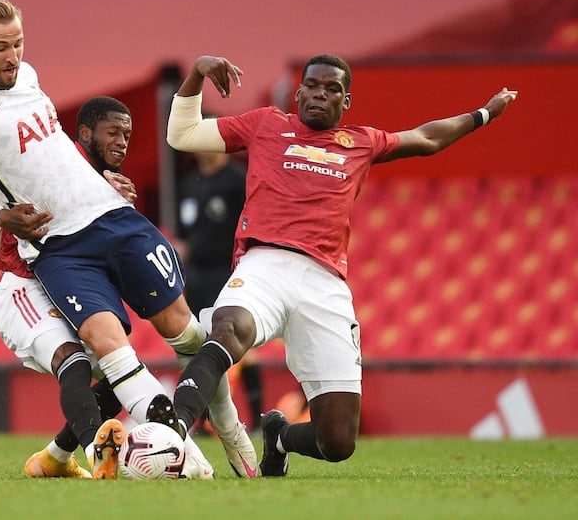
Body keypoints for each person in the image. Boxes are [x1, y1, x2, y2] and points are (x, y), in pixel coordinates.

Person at [0, 0, 256, 479]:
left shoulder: (29, 76)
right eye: (0, 47)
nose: (12, 56)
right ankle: (185, 463)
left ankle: (231, 431)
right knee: (104, 342)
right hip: (59, 246)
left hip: (111, 217)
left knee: (183, 329)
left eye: (18, 43)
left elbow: (49, 156)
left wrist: (101, 177)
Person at [147, 54, 518, 476]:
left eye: (332, 89)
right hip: (264, 263)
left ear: (347, 101)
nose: (320, 94)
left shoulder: (362, 142)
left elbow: (426, 138)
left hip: (325, 283)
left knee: (338, 441)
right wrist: (196, 74)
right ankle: (172, 432)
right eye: (313, 86)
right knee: (230, 328)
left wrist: (484, 113)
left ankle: (280, 438)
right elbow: (182, 134)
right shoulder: (267, 124)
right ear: (299, 91)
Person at [0, 96, 212, 480]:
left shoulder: (103, 183)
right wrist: (1, 214)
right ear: (83, 135)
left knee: (122, 374)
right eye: (112, 132)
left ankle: (54, 458)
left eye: (127, 134)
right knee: (75, 362)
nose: (121, 142)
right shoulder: (58, 161)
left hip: (70, 284)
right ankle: (95, 452)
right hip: (23, 285)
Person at [175, 151, 263, 432]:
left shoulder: (237, 178)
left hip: (229, 272)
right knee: (201, 342)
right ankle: (202, 419)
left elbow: (252, 223)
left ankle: (257, 416)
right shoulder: (189, 183)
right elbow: (184, 235)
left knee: (239, 344)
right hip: (198, 274)